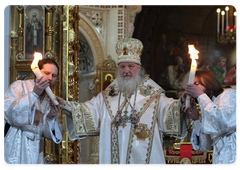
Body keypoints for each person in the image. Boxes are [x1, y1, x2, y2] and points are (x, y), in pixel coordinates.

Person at [57, 37, 188, 165]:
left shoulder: (153, 94)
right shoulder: (107, 96)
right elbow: (88, 110)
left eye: (130, 66)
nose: (126, 70)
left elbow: (169, 108)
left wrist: (181, 103)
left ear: (139, 68)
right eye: (122, 67)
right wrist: (66, 106)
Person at [2, 58, 63, 165]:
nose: (50, 78)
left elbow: (50, 134)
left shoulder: (49, 98)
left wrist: (50, 117)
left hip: (36, 150)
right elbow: (9, 112)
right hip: (16, 144)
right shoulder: (19, 86)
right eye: (46, 73)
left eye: (54, 76)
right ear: (38, 72)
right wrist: (34, 93)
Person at [183, 69, 237, 165]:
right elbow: (206, 146)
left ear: (210, 83)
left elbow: (224, 122)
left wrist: (201, 95)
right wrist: (196, 119)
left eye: (196, 84)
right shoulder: (210, 103)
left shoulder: (230, 94)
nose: (194, 88)